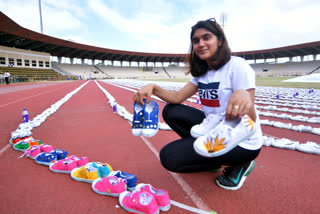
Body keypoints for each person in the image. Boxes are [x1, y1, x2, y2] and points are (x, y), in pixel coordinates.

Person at [133, 18, 262, 190]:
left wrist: (244, 95)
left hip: (242, 140)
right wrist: (153, 88)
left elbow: (250, 120)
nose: (200, 44)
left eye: (206, 38)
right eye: (196, 41)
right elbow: (177, 97)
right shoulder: (202, 73)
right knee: (171, 111)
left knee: (169, 157)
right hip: (215, 126)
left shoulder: (237, 66)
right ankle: (211, 159)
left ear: (220, 40)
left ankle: (241, 164)